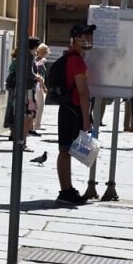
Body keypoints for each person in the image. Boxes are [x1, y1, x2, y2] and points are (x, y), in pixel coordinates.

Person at [56, 24, 95, 205]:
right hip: (73, 110)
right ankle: (65, 191)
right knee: (65, 150)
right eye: (84, 36)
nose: (88, 39)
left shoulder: (72, 58)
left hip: (68, 109)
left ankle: (67, 189)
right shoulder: (76, 61)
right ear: (75, 39)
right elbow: (83, 92)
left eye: (90, 36)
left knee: (67, 150)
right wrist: (86, 119)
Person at [32, 43, 50, 133]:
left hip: (39, 85)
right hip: (38, 86)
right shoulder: (39, 61)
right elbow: (39, 76)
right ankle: (36, 125)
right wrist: (44, 87)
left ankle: (36, 124)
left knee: (39, 106)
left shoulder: (40, 60)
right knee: (39, 106)